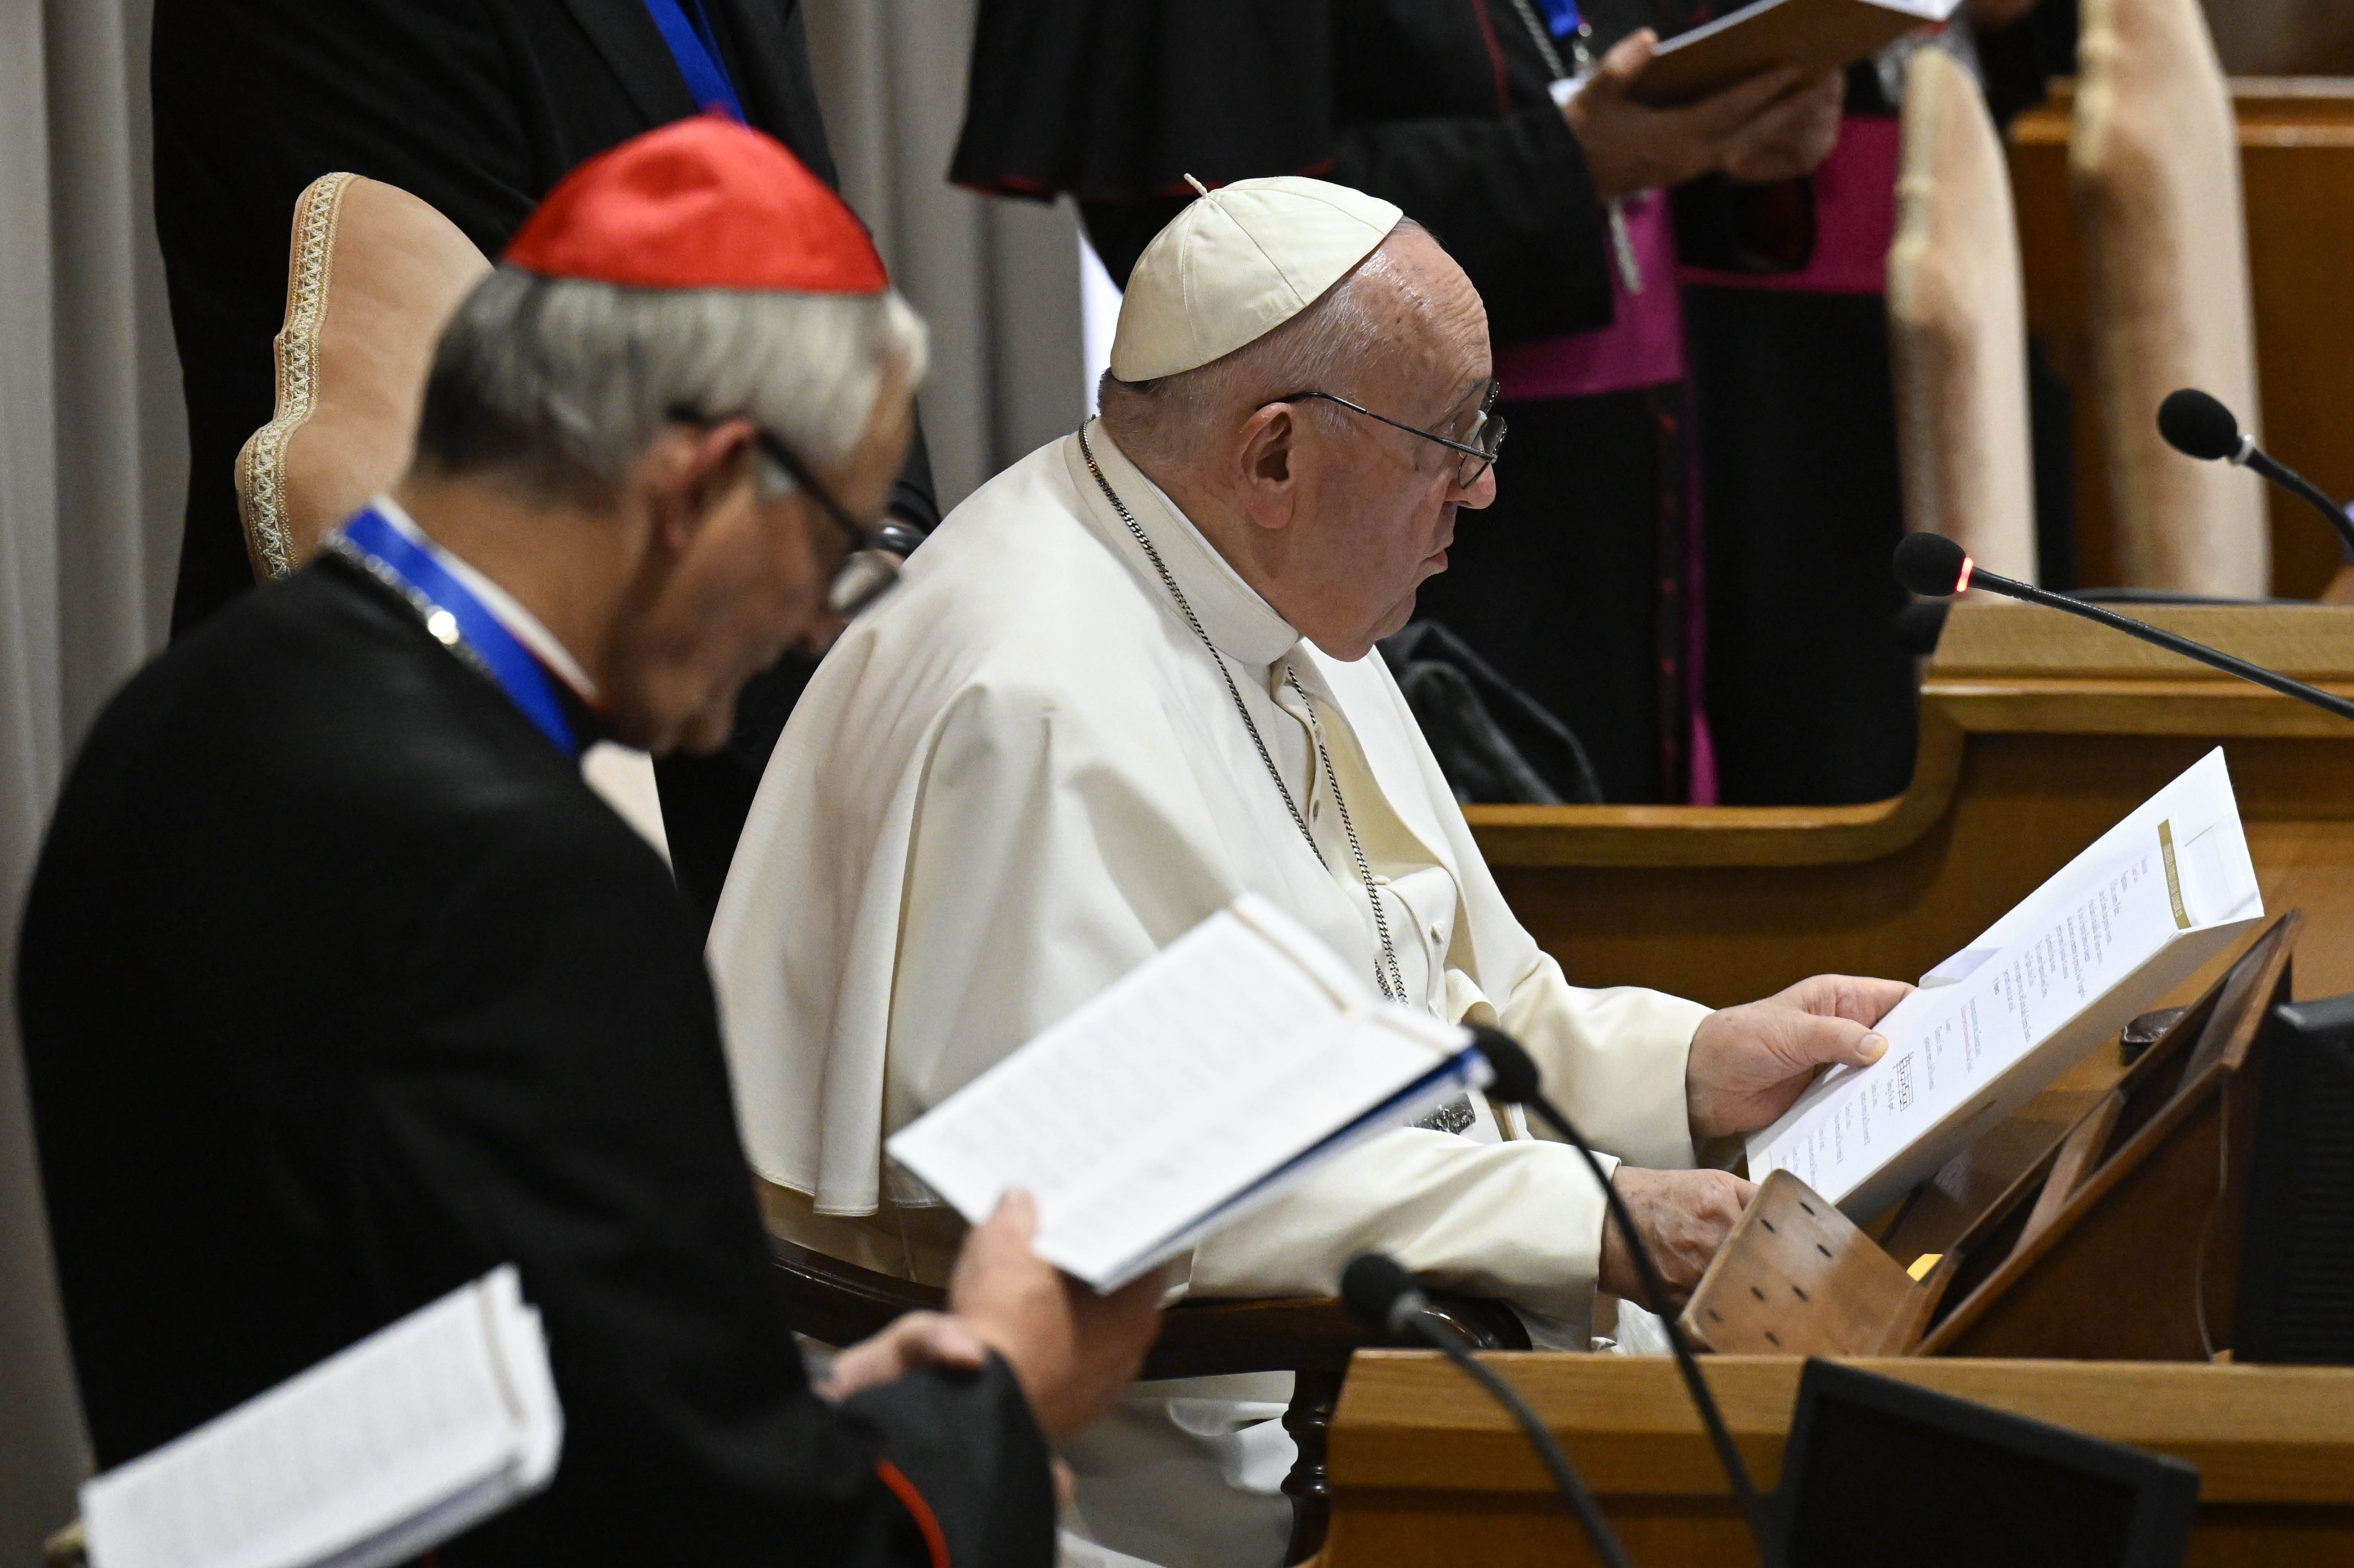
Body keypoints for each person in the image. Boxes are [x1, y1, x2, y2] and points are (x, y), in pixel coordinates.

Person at [708, 177, 1908, 1567]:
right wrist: (1590, 1209)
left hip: (1396, 1329)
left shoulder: (1260, 582)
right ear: (1272, 457)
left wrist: (1692, 1061)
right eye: (1451, 436)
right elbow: (1115, 1189)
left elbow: (1443, 995)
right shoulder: (1025, 700)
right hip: (1197, 1439)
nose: (1486, 482)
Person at [21, 119, 1159, 1567]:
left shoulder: (168, 730)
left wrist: (786, 1422)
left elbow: (557, 1406)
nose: (818, 629)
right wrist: (989, 1395)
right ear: (700, 484)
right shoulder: (530, 883)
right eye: (833, 554)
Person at [151, 0, 929, 927]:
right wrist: (866, 760)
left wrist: (881, 564)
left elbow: (827, 264)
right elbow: (550, 454)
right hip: (506, 820)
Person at [955, 0, 1845, 804]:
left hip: (1626, 483)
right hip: (1379, 508)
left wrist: (1735, 133)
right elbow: (1223, 227)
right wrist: (1564, 164)